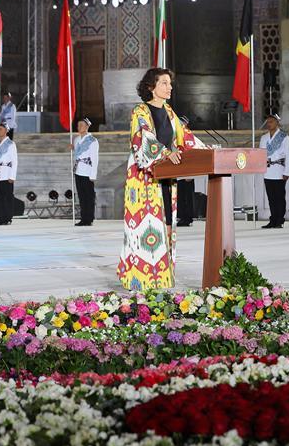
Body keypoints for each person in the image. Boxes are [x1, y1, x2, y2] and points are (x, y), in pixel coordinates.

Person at [118, 68, 205, 291]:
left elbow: (186, 137)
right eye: (164, 83)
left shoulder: (168, 111)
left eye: (170, 83)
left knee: (166, 223)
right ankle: (140, 277)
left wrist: (208, 152)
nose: (170, 87)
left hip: (166, 177)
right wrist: (167, 153)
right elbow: (143, 138)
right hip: (144, 179)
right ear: (151, 87)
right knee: (145, 227)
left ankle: (162, 275)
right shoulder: (140, 111)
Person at [259, 113, 289, 229]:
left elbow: (288, 155)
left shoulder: (284, 137)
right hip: (268, 170)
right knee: (271, 197)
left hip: (279, 170)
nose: (269, 124)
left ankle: (280, 220)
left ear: (277, 123)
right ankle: (272, 219)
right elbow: (261, 154)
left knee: (279, 197)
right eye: (268, 122)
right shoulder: (264, 138)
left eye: (271, 121)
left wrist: (287, 172)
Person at [72, 117, 98, 226]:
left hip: (87, 171)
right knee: (81, 196)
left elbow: (94, 158)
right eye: (78, 125)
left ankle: (89, 218)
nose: (79, 127)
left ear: (87, 126)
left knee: (89, 196)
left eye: (82, 125)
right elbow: (78, 153)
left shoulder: (92, 141)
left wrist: (93, 174)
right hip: (78, 170)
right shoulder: (77, 139)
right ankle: (83, 218)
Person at [0, 122, 17, 225]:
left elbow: (15, 160)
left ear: (6, 131)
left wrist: (12, 176)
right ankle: (2, 218)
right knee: (0, 197)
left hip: (7, 173)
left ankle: (8, 218)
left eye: (1, 129)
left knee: (8, 197)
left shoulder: (11, 144)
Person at [176, 116, 196, 227]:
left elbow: (188, 149)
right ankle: (185, 217)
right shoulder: (186, 132)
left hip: (185, 166)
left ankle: (186, 217)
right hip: (183, 167)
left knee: (185, 195)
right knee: (183, 194)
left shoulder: (184, 133)